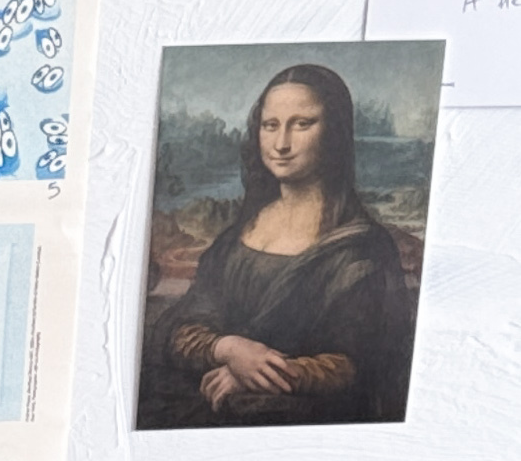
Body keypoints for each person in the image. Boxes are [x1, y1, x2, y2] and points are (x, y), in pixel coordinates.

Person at [145, 59, 414, 427]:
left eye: (302, 124)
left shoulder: (363, 248)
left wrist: (257, 374)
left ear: (334, 133)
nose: (281, 144)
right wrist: (229, 349)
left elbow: (359, 364)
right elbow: (181, 328)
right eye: (270, 125)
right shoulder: (237, 236)